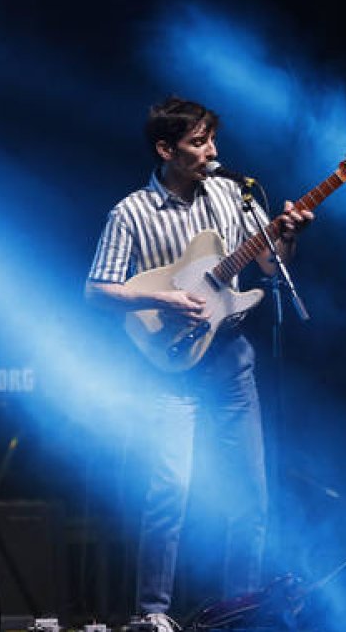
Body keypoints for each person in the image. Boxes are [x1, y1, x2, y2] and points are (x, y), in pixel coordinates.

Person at [85, 97, 313, 632]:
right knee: (170, 490)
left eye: (212, 139)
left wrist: (287, 235)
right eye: (198, 142)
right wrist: (162, 300)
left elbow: (267, 262)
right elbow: (96, 290)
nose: (211, 151)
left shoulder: (234, 193)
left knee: (250, 493)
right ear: (166, 149)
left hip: (231, 359)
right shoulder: (131, 212)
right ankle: (154, 613)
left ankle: (242, 609)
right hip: (168, 364)